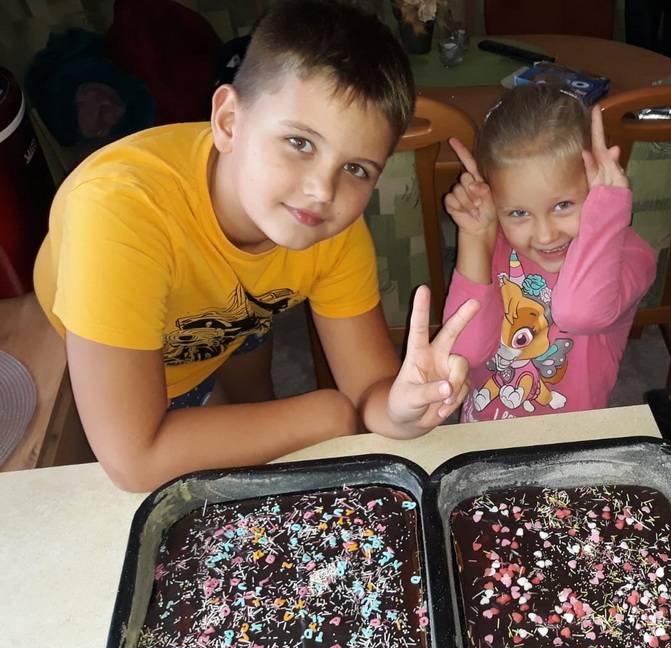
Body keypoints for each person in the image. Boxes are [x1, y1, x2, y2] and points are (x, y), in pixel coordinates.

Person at [33, 0, 478, 492]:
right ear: (228, 121)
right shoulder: (119, 212)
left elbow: (371, 391)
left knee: (255, 396)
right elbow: (135, 460)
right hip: (148, 348)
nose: (322, 191)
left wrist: (399, 410)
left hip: (243, 311)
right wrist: (330, 414)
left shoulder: (329, 228)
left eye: (356, 168)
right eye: (300, 143)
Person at [442, 84, 656, 422]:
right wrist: (475, 236)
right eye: (518, 212)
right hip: (480, 433)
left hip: (569, 441)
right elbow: (462, 352)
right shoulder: (495, 243)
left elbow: (580, 313)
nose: (545, 235)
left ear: (597, 186)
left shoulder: (629, 255)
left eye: (563, 205)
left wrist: (608, 209)